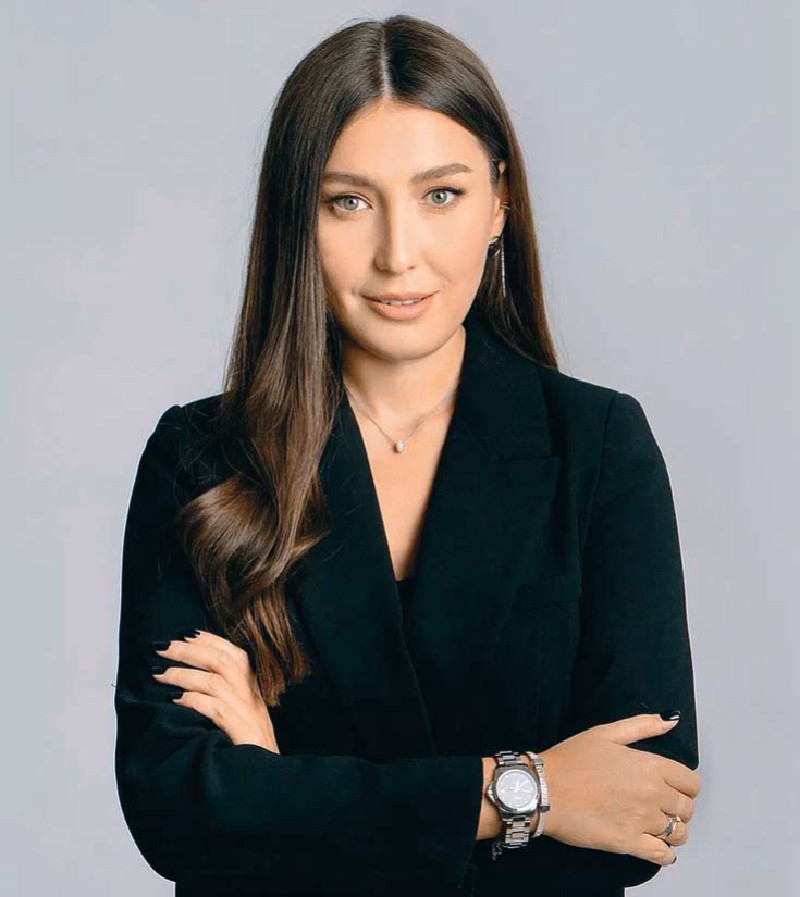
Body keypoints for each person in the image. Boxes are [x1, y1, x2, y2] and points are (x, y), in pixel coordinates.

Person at [113, 13, 701, 897]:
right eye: (348, 201)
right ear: (298, 218)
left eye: (441, 195)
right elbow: (180, 810)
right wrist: (528, 790)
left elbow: (642, 813)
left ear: (499, 204)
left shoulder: (598, 447)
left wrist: (283, 784)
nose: (398, 254)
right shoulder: (202, 459)